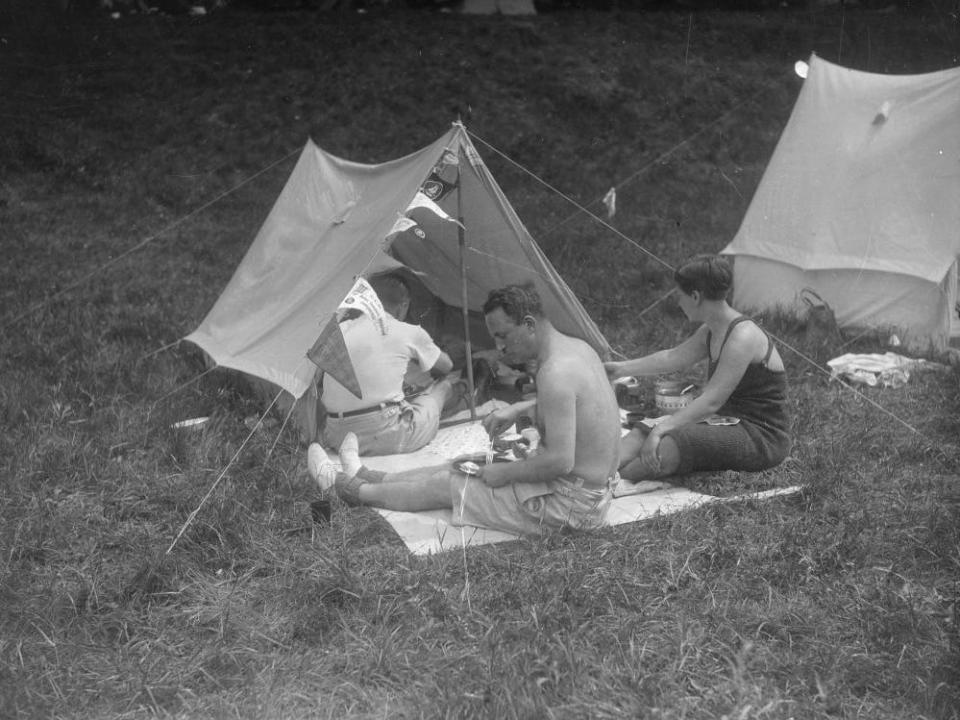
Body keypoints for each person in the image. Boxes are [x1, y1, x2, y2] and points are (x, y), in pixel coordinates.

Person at [313, 283, 622, 535]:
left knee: (452, 484)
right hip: (590, 494)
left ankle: (351, 490)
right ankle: (368, 475)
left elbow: (561, 462)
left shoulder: (554, 372)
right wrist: (519, 410)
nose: (500, 348)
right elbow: (575, 404)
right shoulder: (578, 349)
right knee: (465, 464)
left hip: (571, 507)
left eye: (503, 336)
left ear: (528, 325)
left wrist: (505, 473)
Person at [605, 254, 791, 481]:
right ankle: (595, 477)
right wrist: (621, 369)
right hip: (727, 420)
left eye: (680, 295)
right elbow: (672, 357)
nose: (678, 302)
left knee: (672, 444)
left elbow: (712, 401)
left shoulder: (742, 336)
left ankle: (614, 484)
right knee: (639, 432)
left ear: (695, 296)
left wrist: (662, 429)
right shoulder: (712, 329)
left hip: (761, 436)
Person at [312, 273, 481, 461]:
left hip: (337, 435)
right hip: (386, 433)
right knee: (444, 386)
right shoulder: (408, 331)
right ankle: (468, 391)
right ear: (404, 306)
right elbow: (446, 366)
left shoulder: (341, 329)